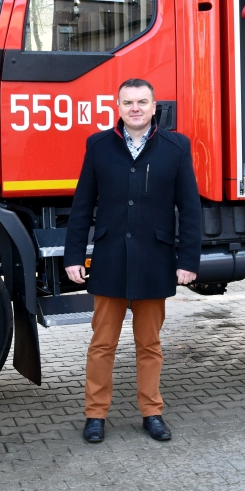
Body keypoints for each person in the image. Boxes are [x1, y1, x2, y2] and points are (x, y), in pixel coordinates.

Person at [64, 78, 202, 444]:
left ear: (154, 107)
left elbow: (190, 208)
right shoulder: (98, 146)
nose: (135, 108)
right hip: (110, 258)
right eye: (128, 102)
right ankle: (95, 415)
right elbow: (82, 206)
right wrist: (73, 255)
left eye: (142, 102)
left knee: (150, 345)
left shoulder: (176, 147)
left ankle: (152, 412)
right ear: (119, 107)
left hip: (154, 259)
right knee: (102, 344)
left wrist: (188, 260)